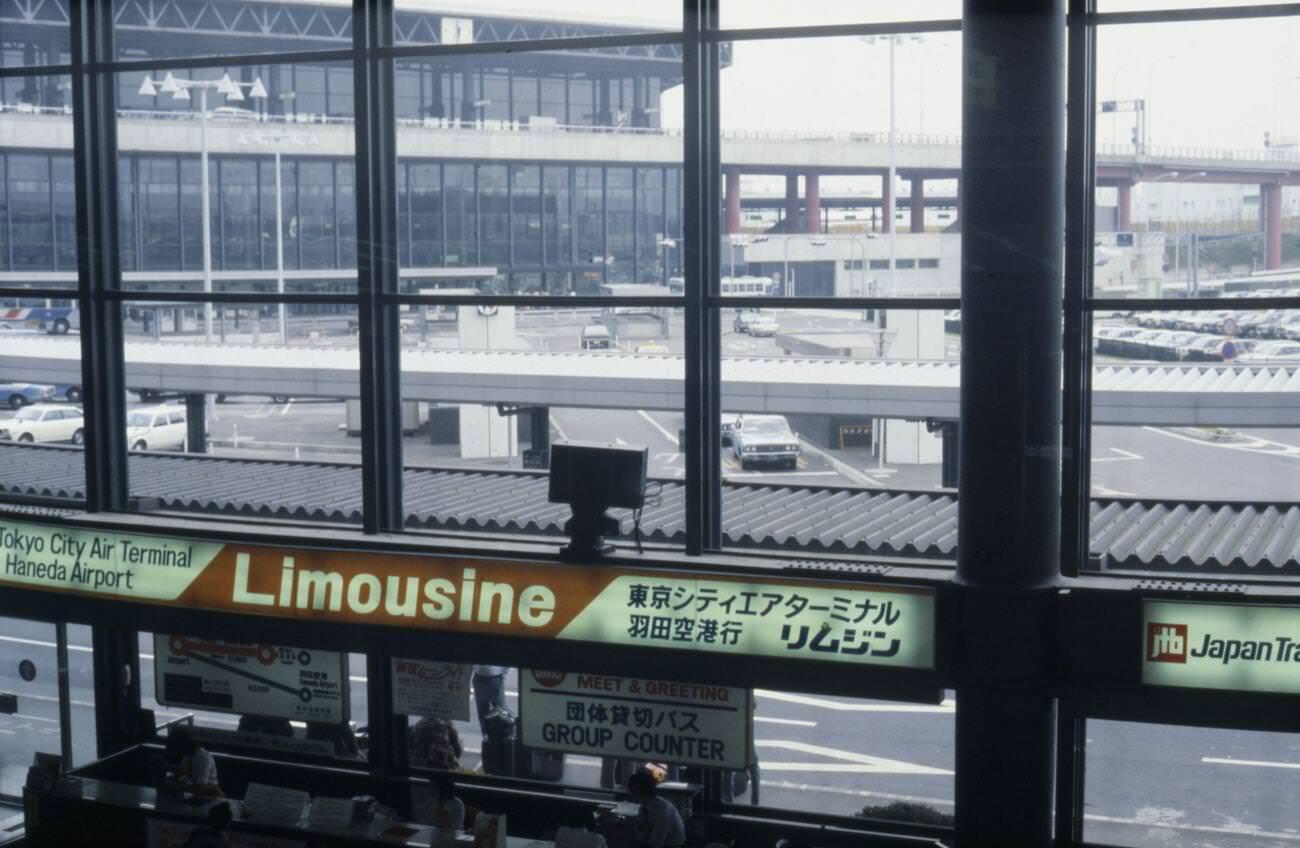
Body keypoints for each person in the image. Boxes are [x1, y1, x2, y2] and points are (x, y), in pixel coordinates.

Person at [154, 725, 223, 798]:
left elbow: (200, 787)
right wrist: (166, 766)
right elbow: (185, 771)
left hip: (211, 796)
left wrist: (176, 786)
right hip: (199, 796)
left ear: (180, 745)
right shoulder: (188, 756)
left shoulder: (202, 758)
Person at [627, 768, 685, 848]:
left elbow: (656, 843)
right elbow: (641, 833)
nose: (630, 793)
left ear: (640, 791)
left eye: (632, 791)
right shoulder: (645, 806)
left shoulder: (662, 811)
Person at [428, 773, 466, 847]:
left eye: (434, 786)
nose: (431, 789)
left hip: (452, 840)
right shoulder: (432, 801)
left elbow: (456, 827)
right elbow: (429, 822)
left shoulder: (457, 803)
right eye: (430, 786)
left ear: (442, 787)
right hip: (435, 838)